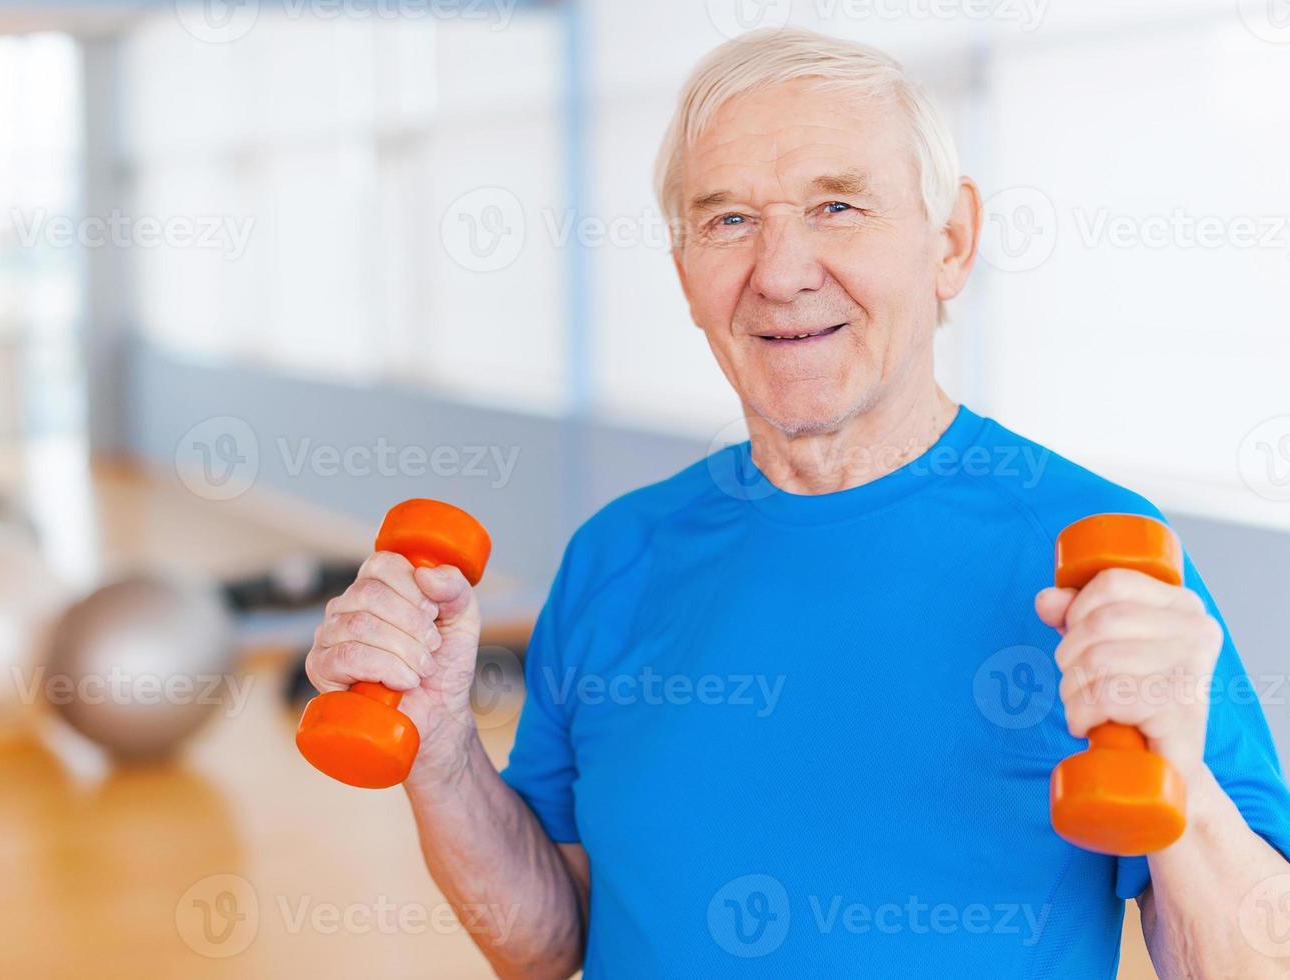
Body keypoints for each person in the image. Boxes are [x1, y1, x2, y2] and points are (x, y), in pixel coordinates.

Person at [304, 27, 1290, 978]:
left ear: (950, 242)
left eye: (838, 208)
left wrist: (1186, 784)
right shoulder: (617, 556)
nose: (779, 274)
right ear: (685, 273)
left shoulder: (1103, 564)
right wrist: (439, 753)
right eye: (728, 220)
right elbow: (545, 941)